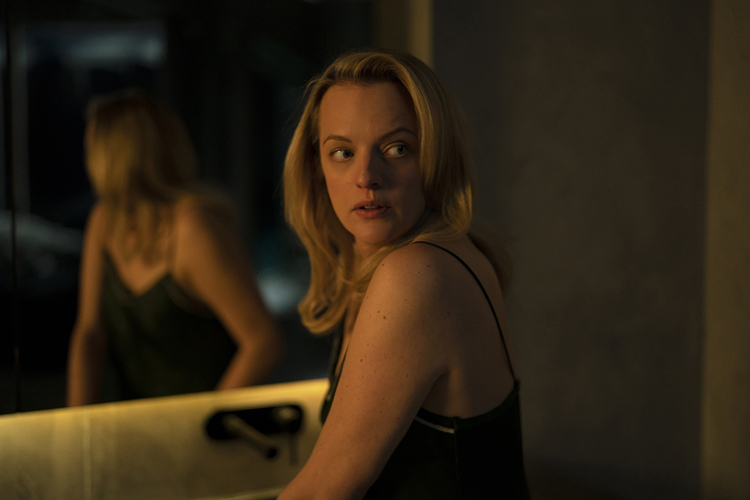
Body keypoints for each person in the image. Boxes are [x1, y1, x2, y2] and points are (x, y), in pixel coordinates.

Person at [278, 50, 530, 499]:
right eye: (342, 152)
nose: (367, 177)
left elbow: (320, 493)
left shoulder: (414, 274)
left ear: (434, 156)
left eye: (397, 148)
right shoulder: (405, 258)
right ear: (317, 166)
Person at [66, 90, 283, 405]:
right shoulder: (104, 221)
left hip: (209, 426)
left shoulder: (192, 230)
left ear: (112, 157)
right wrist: (74, 424)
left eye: (92, 149)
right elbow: (89, 333)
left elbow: (264, 343)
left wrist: (202, 420)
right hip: (144, 425)